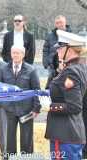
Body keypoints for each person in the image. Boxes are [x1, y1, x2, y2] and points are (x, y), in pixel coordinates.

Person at [44, 30, 87, 160]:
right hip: (70, 132)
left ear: (69, 50)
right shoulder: (79, 68)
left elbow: (75, 106)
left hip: (64, 133)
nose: (57, 51)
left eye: (60, 48)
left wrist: (51, 106)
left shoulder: (70, 72)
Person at [0, 44, 41, 158]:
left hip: (26, 110)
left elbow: (36, 90)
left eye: (18, 53)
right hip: (10, 110)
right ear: (10, 54)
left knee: (26, 140)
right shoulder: (4, 70)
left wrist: (36, 109)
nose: (16, 55)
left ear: (23, 54)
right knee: (10, 139)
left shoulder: (31, 70)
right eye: (13, 52)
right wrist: (4, 104)